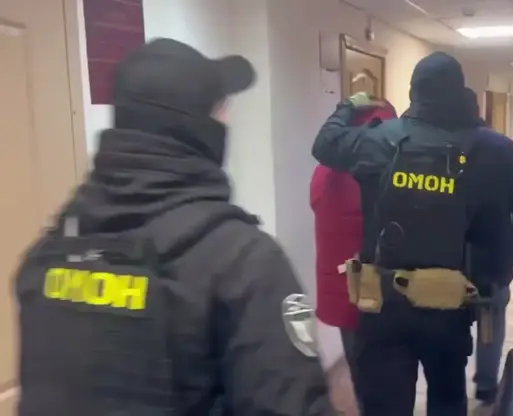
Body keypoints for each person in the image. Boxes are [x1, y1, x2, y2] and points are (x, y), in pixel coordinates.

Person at [14, 38, 335, 416]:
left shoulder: (50, 251)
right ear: (197, 128)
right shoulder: (245, 263)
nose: (227, 121)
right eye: (220, 109)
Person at [312, 51, 513, 415]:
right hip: (450, 306)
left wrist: (348, 106)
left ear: (414, 92)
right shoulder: (496, 148)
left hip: (384, 304)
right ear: (460, 90)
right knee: (447, 397)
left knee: (385, 404)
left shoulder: (378, 139)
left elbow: (324, 144)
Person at [310, 99, 398, 396]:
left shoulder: (325, 168)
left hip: (339, 283)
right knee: (385, 365)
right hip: (377, 284)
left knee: (356, 359)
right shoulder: (388, 164)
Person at [463, 94, 513, 409]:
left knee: (450, 320)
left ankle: (451, 382)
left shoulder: (439, 144)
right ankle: (487, 384)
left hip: (450, 254)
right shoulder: (502, 147)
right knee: (489, 317)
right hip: (493, 252)